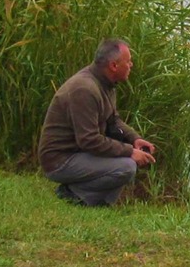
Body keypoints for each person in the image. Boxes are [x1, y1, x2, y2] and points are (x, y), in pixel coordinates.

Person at [38, 38, 156, 206]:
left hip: (78, 153)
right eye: (128, 62)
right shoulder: (85, 89)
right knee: (126, 167)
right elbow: (88, 140)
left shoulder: (107, 83)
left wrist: (134, 139)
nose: (131, 65)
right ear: (114, 66)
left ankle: (96, 202)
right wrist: (130, 151)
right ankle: (73, 194)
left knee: (126, 163)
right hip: (60, 159)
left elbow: (113, 121)